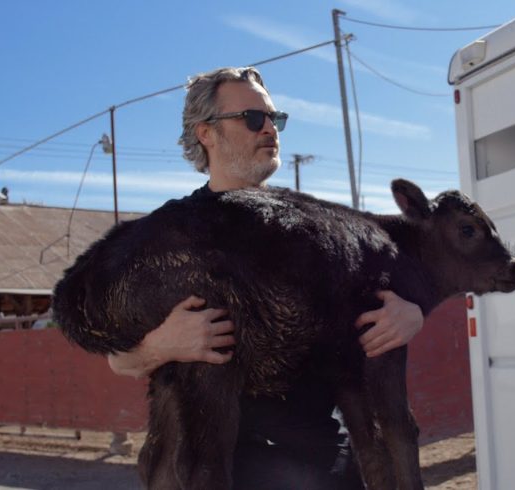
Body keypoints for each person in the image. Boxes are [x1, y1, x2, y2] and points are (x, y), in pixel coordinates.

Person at [106, 67, 424, 489]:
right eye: (254, 118)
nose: (270, 129)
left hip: (325, 465)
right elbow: (118, 359)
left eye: (276, 118)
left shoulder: (319, 228)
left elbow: (396, 290)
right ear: (207, 133)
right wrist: (161, 345)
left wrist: (411, 312)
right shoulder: (168, 236)